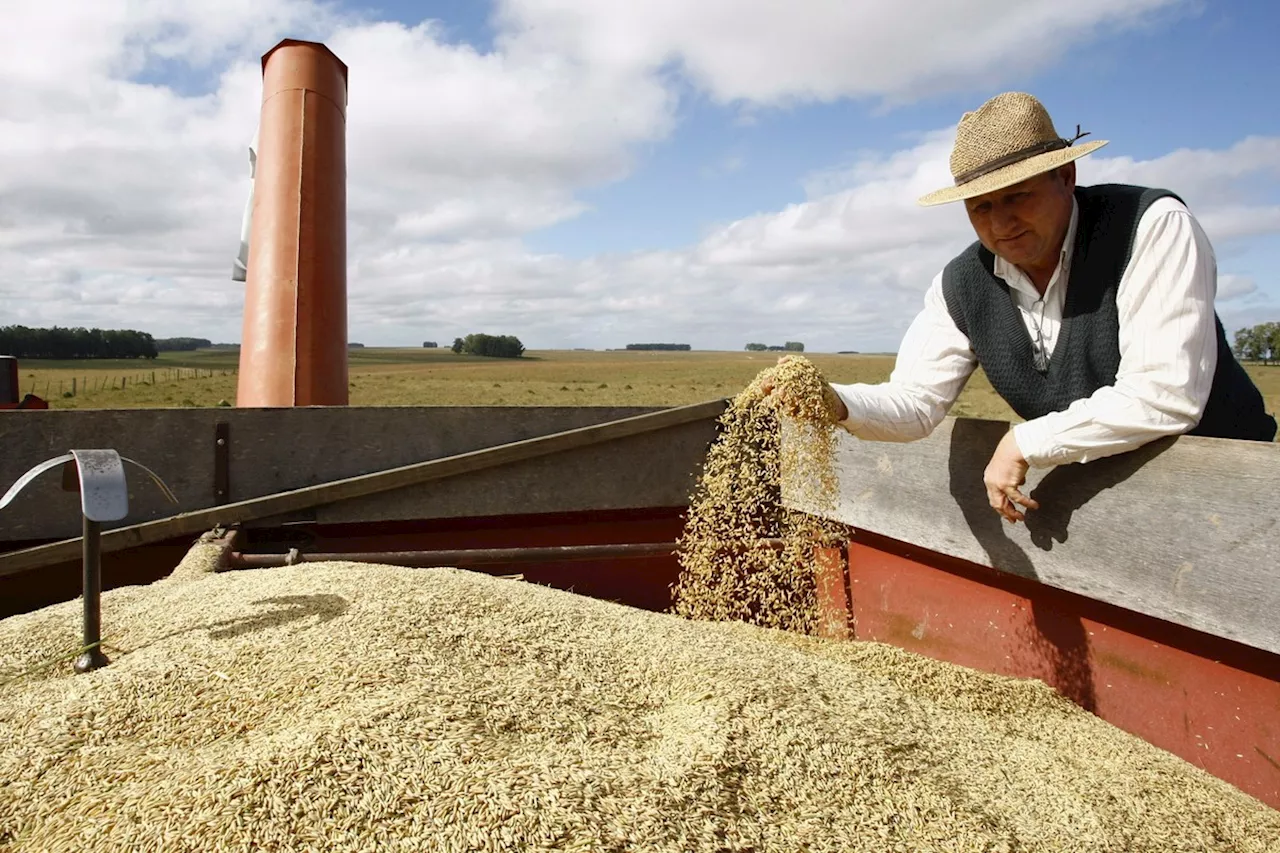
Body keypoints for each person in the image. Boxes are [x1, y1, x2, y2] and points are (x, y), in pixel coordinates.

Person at [765, 91, 1276, 525]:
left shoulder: (1149, 227)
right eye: (980, 207)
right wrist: (832, 401)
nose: (1000, 223)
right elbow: (917, 402)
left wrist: (1024, 442)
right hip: (1101, 501)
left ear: (1067, 176)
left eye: (1018, 196)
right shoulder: (961, 283)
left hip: (1233, 495)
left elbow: (1165, 394)